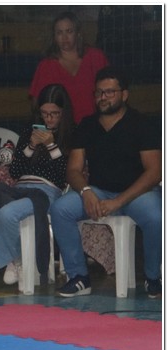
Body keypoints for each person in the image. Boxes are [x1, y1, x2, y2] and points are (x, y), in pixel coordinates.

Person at [49, 66, 162, 299]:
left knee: (156, 216)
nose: (103, 97)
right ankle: (79, 277)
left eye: (110, 92)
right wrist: (86, 191)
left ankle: (154, 277)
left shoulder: (142, 123)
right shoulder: (87, 125)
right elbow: (73, 170)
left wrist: (119, 201)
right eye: (99, 92)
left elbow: (155, 172)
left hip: (137, 194)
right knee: (60, 209)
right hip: (99, 191)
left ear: (124, 94)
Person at [0, 84, 74, 286]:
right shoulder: (30, 131)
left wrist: (51, 145)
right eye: (44, 113)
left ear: (63, 112)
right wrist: (31, 146)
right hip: (20, 188)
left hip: (47, 191)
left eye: (54, 114)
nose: (49, 119)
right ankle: (14, 260)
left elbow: (64, 175)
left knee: (7, 214)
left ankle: (20, 263)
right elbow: (15, 171)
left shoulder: (71, 133)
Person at [29, 11, 108, 124]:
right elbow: (36, 104)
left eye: (69, 31)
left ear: (78, 33)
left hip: (95, 125)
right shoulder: (46, 66)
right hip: (61, 128)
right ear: (54, 37)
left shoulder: (96, 57)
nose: (64, 37)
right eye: (59, 32)